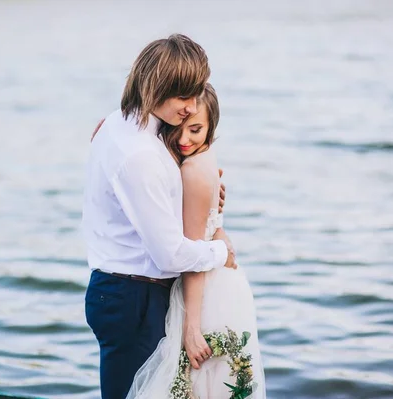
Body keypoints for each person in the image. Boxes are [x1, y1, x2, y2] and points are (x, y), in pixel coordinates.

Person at [83, 34, 237, 399]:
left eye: (195, 93)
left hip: (125, 293)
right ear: (156, 87)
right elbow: (169, 255)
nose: (191, 105)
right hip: (135, 297)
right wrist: (220, 252)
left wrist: (203, 198)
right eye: (183, 96)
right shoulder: (140, 156)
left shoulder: (115, 123)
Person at [126, 84, 266, 398]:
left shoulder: (192, 170)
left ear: (211, 126)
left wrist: (191, 328)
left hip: (206, 294)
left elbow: (193, 256)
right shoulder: (198, 159)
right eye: (178, 129)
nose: (184, 139)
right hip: (222, 284)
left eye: (196, 130)